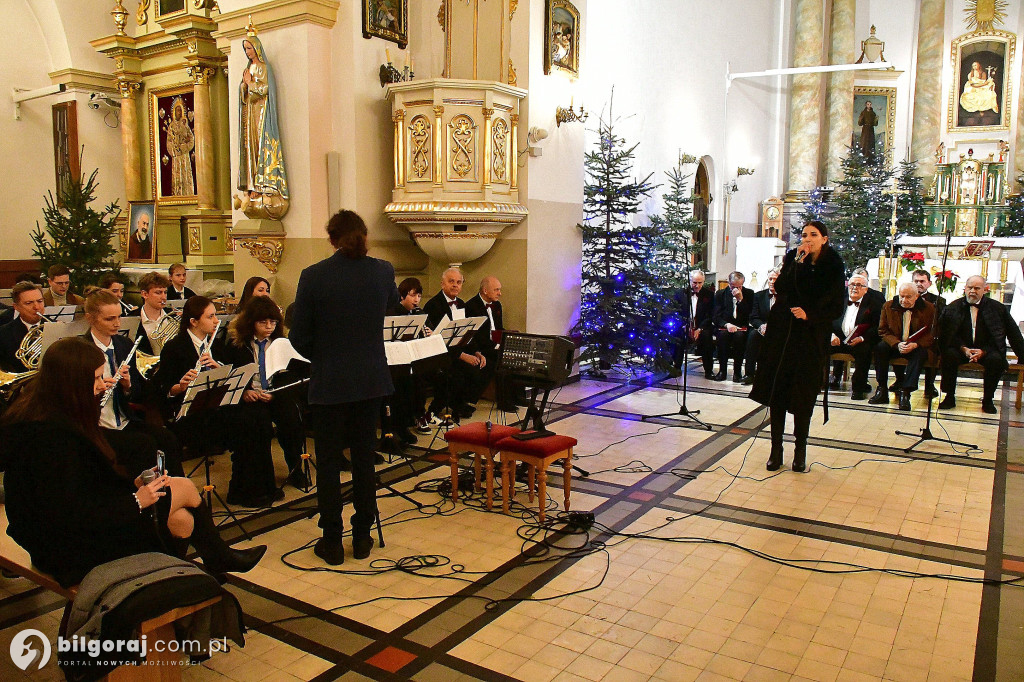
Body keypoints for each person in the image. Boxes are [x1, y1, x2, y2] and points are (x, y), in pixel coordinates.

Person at [0, 337, 266, 588]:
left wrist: (131, 485)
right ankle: (205, 564)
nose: (102, 383)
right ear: (72, 382)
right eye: (95, 378)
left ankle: (182, 576)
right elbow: (72, 513)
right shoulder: (51, 438)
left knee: (182, 519)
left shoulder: (45, 416)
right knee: (183, 490)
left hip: (62, 533)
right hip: (64, 548)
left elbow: (82, 485)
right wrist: (136, 500)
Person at [290, 210, 399, 565]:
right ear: (364, 235)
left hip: (330, 383)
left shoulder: (314, 276)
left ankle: (333, 540)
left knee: (329, 464)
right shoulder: (383, 271)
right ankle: (363, 535)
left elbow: (299, 337)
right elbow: (393, 312)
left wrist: (324, 356)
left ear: (332, 238)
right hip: (369, 381)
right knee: (365, 460)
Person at [154, 296, 277, 507]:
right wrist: (181, 386)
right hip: (192, 414)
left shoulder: (217, 345)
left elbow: (233, 377)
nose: (215, 321)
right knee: (246, 425)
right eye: (210, 317)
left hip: (219, 408)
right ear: (194, 321)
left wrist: (217, 366)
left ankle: (261, 487)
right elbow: (162, 388)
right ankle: (241, 491)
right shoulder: (175, 348)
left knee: (259, 418)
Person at [750, 221, 845, 472]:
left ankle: (799, 451)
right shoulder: (794, 256)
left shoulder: (833, 264)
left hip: (810, 335)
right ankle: (776, 449)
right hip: (783, 333)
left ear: (824, 239)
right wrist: (797, 263)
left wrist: (810, 314)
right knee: (778, 392)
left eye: (813, 235)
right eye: (804, 235)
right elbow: (781, 288)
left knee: (803, 395)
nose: (807, 239)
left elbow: (835, 305)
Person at [81, 289, 184, 477]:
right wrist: (98, 388)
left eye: (119, 317)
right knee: (143, 445)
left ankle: (175, 491)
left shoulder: (123, 345)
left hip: (124, 418)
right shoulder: (82, 350)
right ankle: (144, 498)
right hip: (97, 425)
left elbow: (138, 393)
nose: (117, 323)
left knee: (167, 438)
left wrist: (127, 386)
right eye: (109, 319)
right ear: (90, 319)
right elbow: (74, 397)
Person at [219, 295, 308, 488]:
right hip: (249, 396)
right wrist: (244, 392)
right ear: (251, 322)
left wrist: (276, 392)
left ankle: (295, 468)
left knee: (291, 420)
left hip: (275, 393)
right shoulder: (236, 344)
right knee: (258, 425)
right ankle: (261, 476)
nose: (269, 326)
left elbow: (292, 375)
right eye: (263, 322)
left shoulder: (280, 343)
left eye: (273, 322)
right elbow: (229, 375)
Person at [938, 276, 1024, 414]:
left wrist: (984, 351)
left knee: (996, 360)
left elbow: (1011, 333)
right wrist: (963, 348)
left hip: (988, 350)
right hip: (961, 349)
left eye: (977, 288)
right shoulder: (952, 307)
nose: (972, 291)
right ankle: (949, 396)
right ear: (965, 289)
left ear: (985, 289)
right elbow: (947, 335)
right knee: (948, 355)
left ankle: (988, 400)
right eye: (970, 288)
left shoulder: (998, 308)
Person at [422, 267, 487, 421]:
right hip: (440, 354)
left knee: (478, 369)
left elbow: (466, 333)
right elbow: (437, 339)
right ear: (442, 284)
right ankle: (436, 407)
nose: (455, 285)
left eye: (458, 282)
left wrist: (476, 351)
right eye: (451, 281)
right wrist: (462, 356)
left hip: (456, 352)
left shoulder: (462, 304)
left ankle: (459, 403)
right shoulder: (433, 305)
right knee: (456, 374)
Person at [870, 282, 936, 411]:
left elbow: (932, 333)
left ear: (916, 296)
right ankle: (882, 388)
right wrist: (896, 343)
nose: (904, 300)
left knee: (920, 354)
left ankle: (906, 392)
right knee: (880, 348)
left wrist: (916, 344)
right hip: (895, 344)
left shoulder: (929, 308)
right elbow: (882, 331)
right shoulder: (888, 306)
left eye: (908, 297)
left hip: (916, 345)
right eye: (901, 296)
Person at [385, 277, 431, 439]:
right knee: (401, 390)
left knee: (419, 385)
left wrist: (429, 333)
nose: (417, 300)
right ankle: (400, 426)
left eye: (419, 296)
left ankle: (417, 416)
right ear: (402, 296)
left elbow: (426, 333)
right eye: (412, 295)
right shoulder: (392, 313)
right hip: (397, 361)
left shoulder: (420, 312)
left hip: (415, 359)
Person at [828, 272, 882, 400]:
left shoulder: (874, 304)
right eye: (852, 284)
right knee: (819, 345)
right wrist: (831, 335)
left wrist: (862, 338)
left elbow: (877, 327)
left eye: (859, 285)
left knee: (865, 351)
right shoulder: (839, 302)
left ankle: (858, 388)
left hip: (860, 341)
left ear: (866, 289)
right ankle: (819, 383)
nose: (854, 288)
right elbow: (827, 321)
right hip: (839, 340)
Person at [712, 272, 754, 382]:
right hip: (725, 326)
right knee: (723, 336)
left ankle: (737, 372)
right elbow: (716, 316)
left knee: (739, 337)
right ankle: (722, 371)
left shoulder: (749, 294)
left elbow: (750, 315)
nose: (736, 289)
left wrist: (741, 300)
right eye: (733, 286)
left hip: (741, 327)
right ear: (729, 283)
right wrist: (726, 324)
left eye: (739, 286)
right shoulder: (720, 294)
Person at [673, 270, 715, 378]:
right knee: (677, 335)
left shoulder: (709, 295)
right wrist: (684, 325)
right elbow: (676, 312)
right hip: (684, 326)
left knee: (706, 336)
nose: (697, 286)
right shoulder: (680, 294)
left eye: (700, 283)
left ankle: (708, 370)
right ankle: (676, 367)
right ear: (690, 281)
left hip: (701, 327)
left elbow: (709, 315)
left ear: (703, 282)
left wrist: (699, 329)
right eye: (694, 282)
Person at [742, 269, 779, 385]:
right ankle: (749, 373)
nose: (772, 282)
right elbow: (753, 317)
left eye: (775, 279)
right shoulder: (758, 296)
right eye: (770, 279)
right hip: (762, 329)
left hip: (779, 330)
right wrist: (762, 326)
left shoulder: (786, 297)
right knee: (753, 335)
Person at [0, 282, 45, 373]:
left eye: (40, 301)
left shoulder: (56, 327)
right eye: (29, 303)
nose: (36, 307)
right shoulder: (4, 333)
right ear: (16, 307)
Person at [126, 271, 173, 356]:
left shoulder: (172, 316)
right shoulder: (132, 318)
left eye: (165, 292)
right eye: (158, 293)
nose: (163, 297)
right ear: (144, 294)